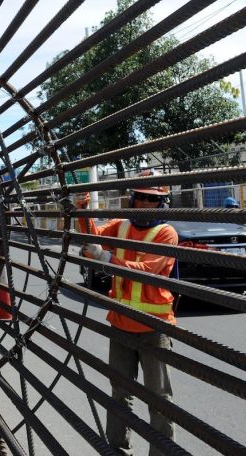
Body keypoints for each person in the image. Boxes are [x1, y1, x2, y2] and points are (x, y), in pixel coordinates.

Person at [76, 169, 177, 456]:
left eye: (152, 199)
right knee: (120, 393)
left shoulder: (166, 233)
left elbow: (149, 272)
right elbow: (92, 238)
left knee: (159, 399)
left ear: (162, 203)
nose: (145, 203)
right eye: (141, 197)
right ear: (132, 199)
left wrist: (106, 257)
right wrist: (84, 213)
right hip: (120, 324)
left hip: (153, 327)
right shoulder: (120, 227)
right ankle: (117, 450)